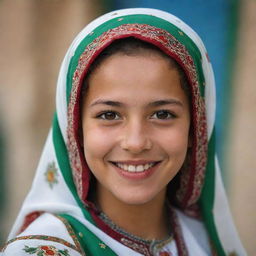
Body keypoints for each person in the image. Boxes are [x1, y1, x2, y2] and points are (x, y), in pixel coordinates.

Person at [1, 8, 246, 256]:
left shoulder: (202, 239)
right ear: (76, 130)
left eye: (163, 114)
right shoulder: (43, 250)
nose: (136, 142)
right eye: (109, 115)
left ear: (196, 129)